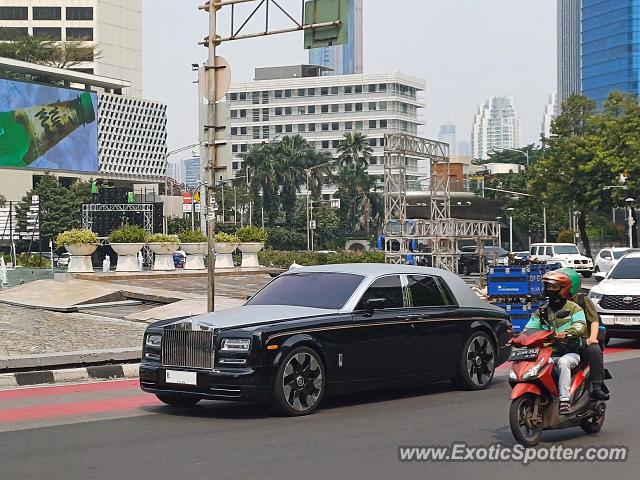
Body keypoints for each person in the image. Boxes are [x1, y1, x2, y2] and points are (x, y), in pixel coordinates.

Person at [524, 271, 587, 414]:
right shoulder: (542, 311)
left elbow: (579, 325)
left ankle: (564, 400)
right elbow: (529, 328)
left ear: (564, 288)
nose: (550, 290)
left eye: (554, 287)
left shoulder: (574, 308)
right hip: (547, 353)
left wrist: (567, 333)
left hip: (570, 351)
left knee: (563, 363)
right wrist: (518, 338)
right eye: (548, 286)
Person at [560, 268, 610, 401]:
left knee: (594, 350)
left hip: (582, 339)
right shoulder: (554, 302)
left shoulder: (582, 300)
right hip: (561, 341)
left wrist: (592, 337)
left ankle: (597, 386)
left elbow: (594, 321)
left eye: (559, 285)